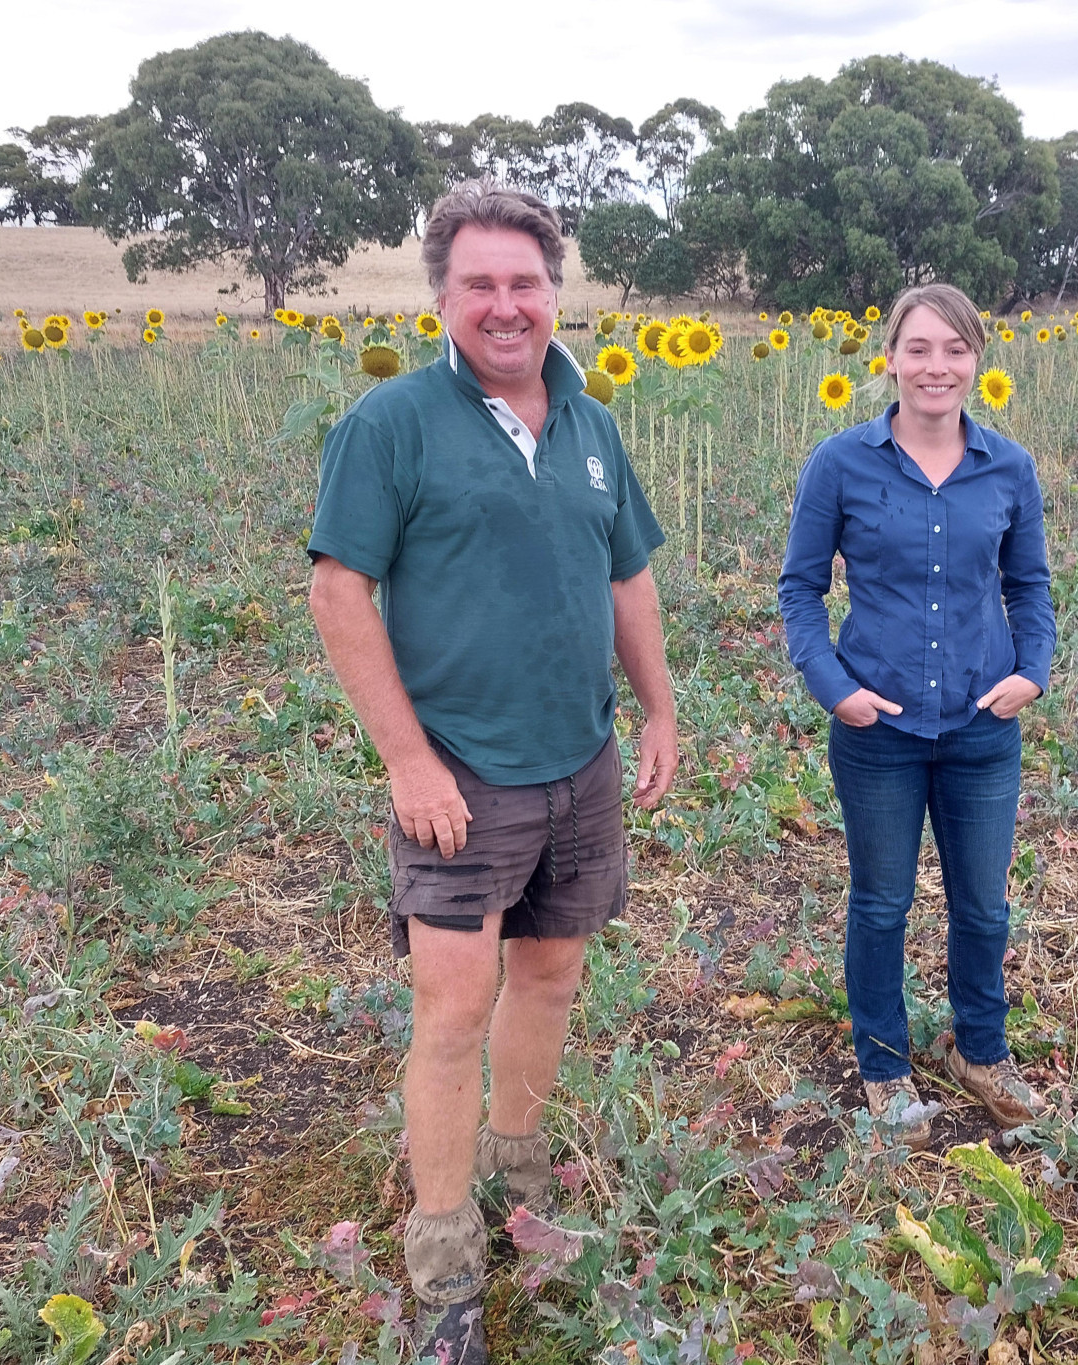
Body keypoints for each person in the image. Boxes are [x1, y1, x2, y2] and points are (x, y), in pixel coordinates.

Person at [307, 179, 678, 1365]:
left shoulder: (590, 425)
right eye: (481, 285)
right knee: (451, 1006)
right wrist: (408, 761)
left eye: (526, 283)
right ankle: (444, 1257)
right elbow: (336, 592)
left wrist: (659, 706)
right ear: (443, 296)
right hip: (460, 776)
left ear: (554, 292)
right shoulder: (391, 425)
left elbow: (626, 581)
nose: (507, 306)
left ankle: (520, 1184)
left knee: (555, 973)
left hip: (580, 758)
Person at [777, 283, 1056, 1149]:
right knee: (883, 903)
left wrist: (1032, 674)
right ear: (890, 358)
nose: (938, 366)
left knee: (982, 908)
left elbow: (1031, 587)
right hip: (878, 732)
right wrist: (834, 687)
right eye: (920, 348)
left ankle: (981, 1050)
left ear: (977, 359)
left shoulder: (1008, 468)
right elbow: (799, 588)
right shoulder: (841, 464)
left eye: (955, 349)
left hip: (980, 728)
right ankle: (884, 1063)